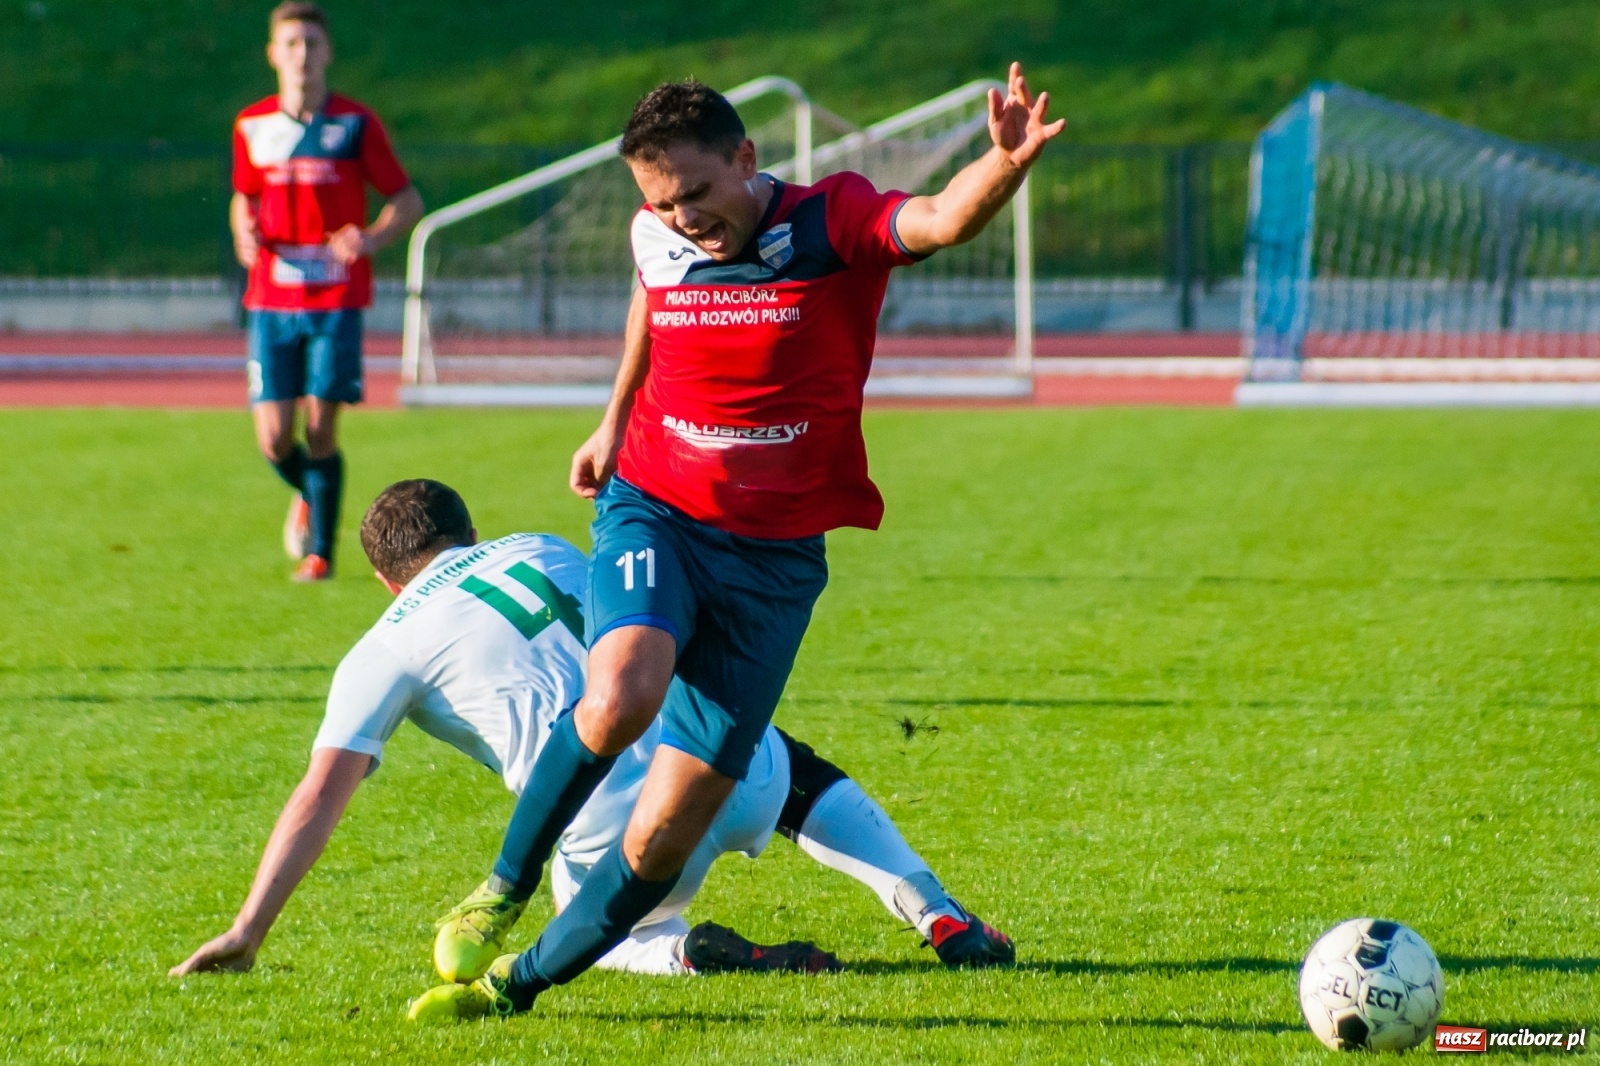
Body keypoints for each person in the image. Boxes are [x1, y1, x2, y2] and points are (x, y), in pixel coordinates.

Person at [415, 64, 1060, 1020]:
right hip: (657, 504)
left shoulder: (829, 220)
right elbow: (653, 294)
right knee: (622, 693)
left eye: (696, 195)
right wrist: (611, 418)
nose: (680, 219)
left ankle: (518, 988)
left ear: (745, 160)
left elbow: (937, 221)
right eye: (660, 203)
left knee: (666, 836)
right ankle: (504, 887)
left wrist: (1002, 165)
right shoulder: (657, 231)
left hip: (776, 555)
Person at [168, 480, 1011, 997]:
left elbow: (321, 793)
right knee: (789, 767)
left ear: (388, 580)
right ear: (468, 535)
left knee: (594, 940)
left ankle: (680, 953)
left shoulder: (383, 641)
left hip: (612, 827)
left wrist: (248, 931)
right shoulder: (537, 544)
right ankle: (938, 912)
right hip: (711, 759)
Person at [231, 1, 424, 582]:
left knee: (319, 429)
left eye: (312, 44)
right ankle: (311, 494)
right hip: (270, 297)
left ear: (327, 53)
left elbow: (407, 200)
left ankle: (321, 554)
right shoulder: (252, 125)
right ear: (273, 54)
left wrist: (368, 237)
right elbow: (244, 197)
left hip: (335, 300)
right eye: (291, 44)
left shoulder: (354, 124)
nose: (302, 55)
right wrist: (242, 229)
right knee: (272, 439)